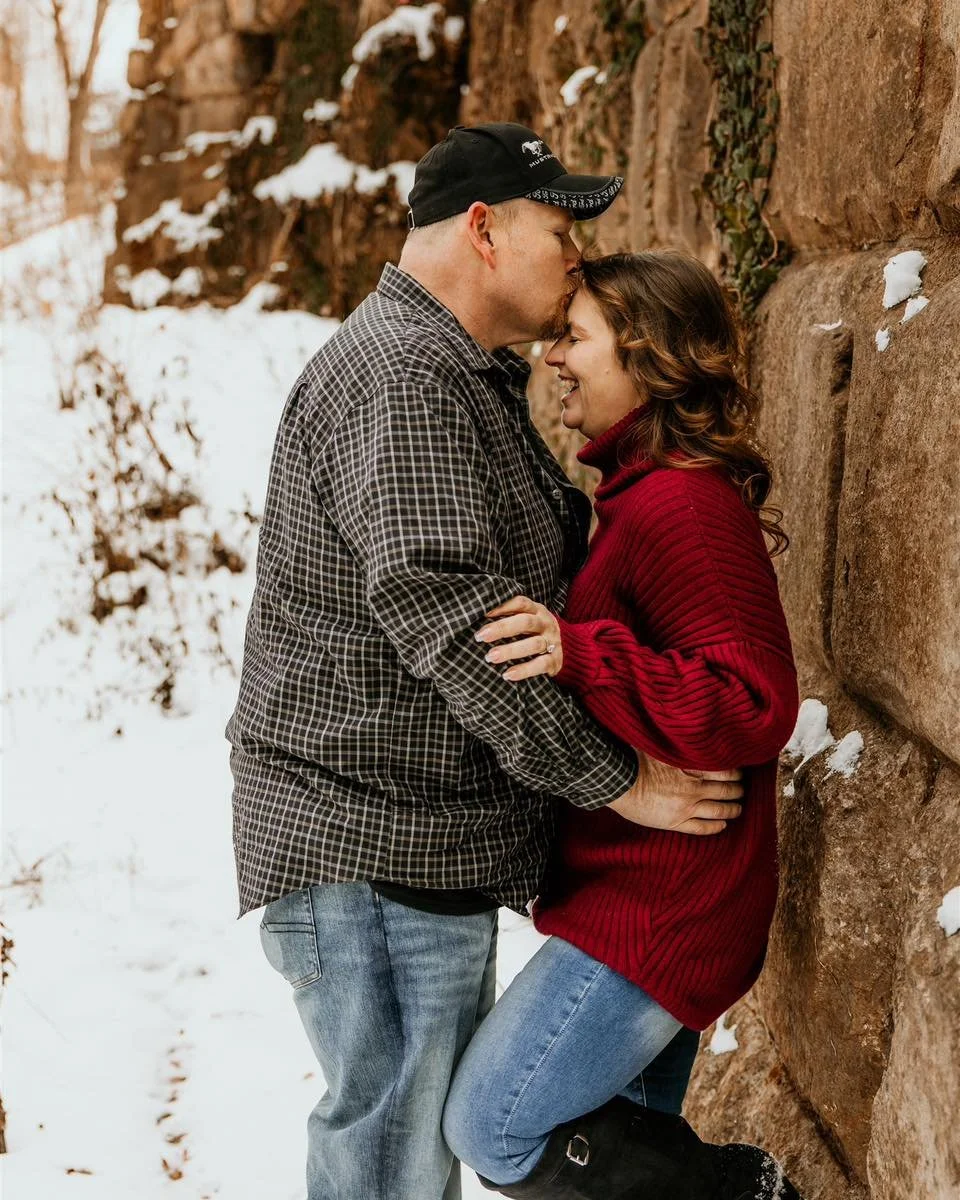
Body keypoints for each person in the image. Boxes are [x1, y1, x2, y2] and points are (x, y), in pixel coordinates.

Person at [225, 125, 745, 1200]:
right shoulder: (407, 381)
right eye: (560, 227)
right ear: (483, 229)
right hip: (372, 841)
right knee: (393, 1158)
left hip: (408, 847)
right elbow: (456, 620)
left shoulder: (451, 374)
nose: (573, 256)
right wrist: (625, 785)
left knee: (409, 1148)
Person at [441, 251, 804, 1199]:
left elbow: (756, 702)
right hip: (638, 891)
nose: (553, 357)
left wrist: (581, 651)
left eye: (575, 336)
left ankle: (746, 1192)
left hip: (662, 907)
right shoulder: (641, 500)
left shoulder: (682, 506)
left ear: (644, 356)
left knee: (493, 1122)